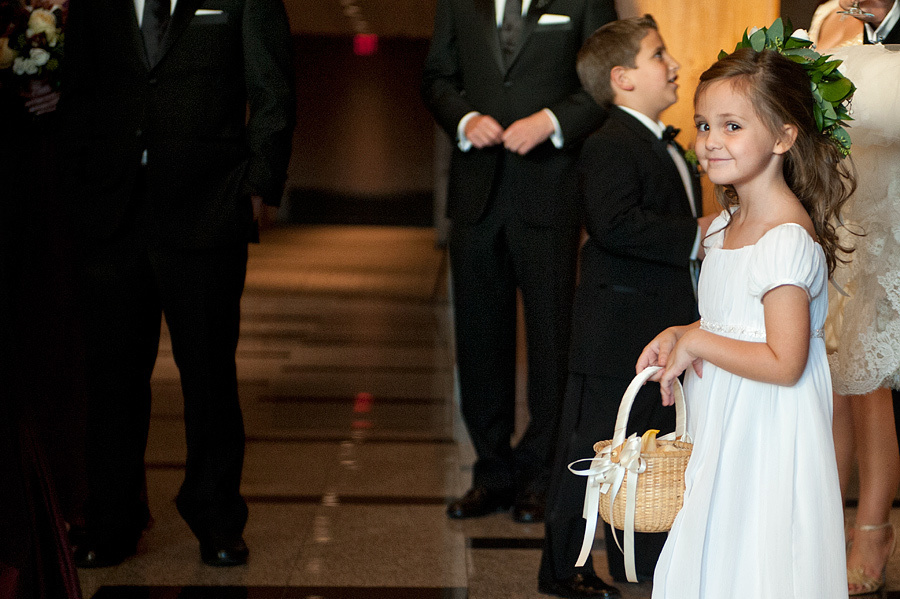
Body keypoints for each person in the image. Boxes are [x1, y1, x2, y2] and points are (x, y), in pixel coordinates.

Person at [61, 0, 295, 568]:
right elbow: (80, 88)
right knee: (113, 377)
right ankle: (113, 518)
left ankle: (217, 518)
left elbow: (273, 89)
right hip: (112, 211)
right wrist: (78, 183)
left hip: (207, 206)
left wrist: (259, 184)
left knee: (209, 375)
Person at [636, 43, 855, 597]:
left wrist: (698, 343)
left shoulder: (784, 239)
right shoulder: (722, 228)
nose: (711, 140)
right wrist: (681, 334)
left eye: (732, 126)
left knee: (756, 556)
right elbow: (727, 322)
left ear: (783, 137)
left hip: (766, 430)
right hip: (723, 421)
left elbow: (784, 361)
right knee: (716, 549)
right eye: (704, 125)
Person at [537, 15, 714, 598]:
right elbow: (613, 224)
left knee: (643, 445)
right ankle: (565, 569)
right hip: (613, 327)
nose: (674, 64)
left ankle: (635, 560)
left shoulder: (663, 142)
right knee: (590, 449)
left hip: (651, 323)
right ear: (622, 78)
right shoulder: (609, 141)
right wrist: (698, 233)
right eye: (658, 55)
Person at [421, 0, 617, 523]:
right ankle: (491, 472)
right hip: (476, 193)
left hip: (549, 189)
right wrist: (464, 119)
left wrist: (551, 121)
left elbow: (607, 79)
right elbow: (437, 76)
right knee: (478, 338)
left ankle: (540, 475)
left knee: (551, 339)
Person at [823, 43, 900, 595]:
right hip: (836, 211)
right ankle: (825, 524)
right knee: (828, 380)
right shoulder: (829, 15)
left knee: (868, 378)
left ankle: (873, 531)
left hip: (886, 208)